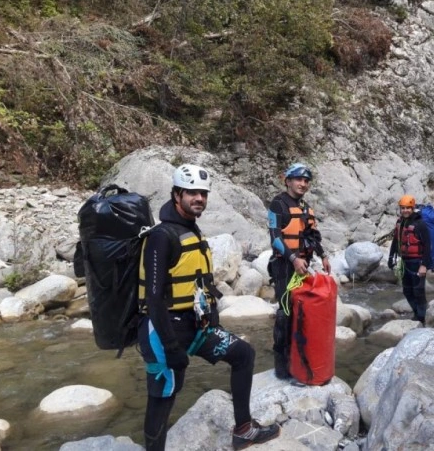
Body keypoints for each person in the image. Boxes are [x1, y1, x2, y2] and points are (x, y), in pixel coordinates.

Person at [137, 164, 279, 451]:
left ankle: (244, 430)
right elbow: (153, 299)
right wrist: (172, 347)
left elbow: (197, 282)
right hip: (162, 332)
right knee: (164, 396)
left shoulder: (191, 229)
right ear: (176, 194)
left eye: (203, 193)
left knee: (243, 354)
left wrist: (211, 317)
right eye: (192, 192)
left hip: (196, 328)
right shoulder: (161, 237)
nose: (199, 198)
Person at [267, 162, 331, 380]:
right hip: (285, 266)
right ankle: (281, 365)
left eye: (306, 181)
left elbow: (313, 235)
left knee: (301, 313)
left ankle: (299, 360)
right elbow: (275, 239)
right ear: (288, 181)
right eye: (298, 180)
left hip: (302, 266)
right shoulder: (278, 205)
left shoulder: (305, 208)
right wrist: (293, 258)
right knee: (285, 313)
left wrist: (323, 256)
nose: (302, 184)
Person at [387, 195, 431, 324]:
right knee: (407, 290)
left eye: (408, 208)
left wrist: (424, 265)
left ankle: (422, 317)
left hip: (417, 262)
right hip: (405, 262)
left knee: (418, 291)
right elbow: (396, 241)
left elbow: (428, 246)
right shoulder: (400, 223)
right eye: (403, 208)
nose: (405, 210)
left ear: (412, 208)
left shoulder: (420, 224)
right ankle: (417, 313)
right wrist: (391, 257)